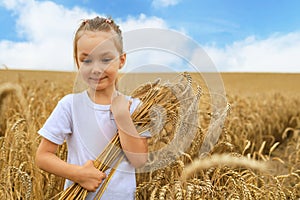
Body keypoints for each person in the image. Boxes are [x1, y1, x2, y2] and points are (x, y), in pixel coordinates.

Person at [35, 16, 149, 199]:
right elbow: (42, 156)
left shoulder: (135, 107)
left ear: (121, 60)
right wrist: (77, 174)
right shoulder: (70, 106)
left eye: (106, 59)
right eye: (87, 60)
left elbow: (139, 160)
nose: (96, 69)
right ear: (77, 62)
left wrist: (122, 118)